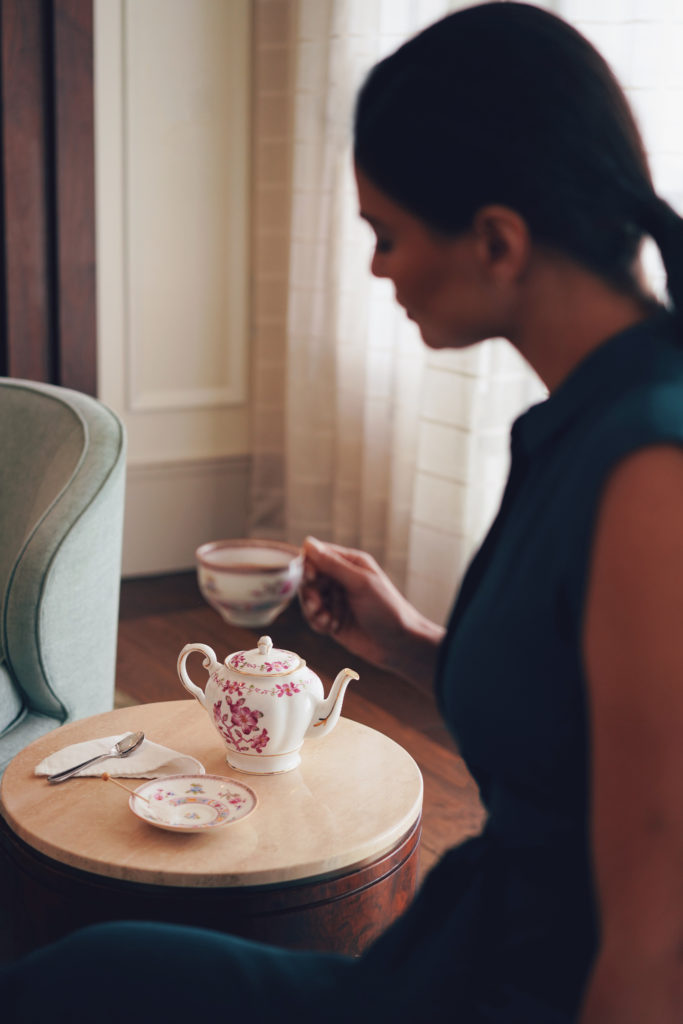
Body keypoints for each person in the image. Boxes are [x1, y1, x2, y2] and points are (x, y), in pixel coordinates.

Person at [3, 3, 683, 1020]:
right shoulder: (583, 422)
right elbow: (566, 732)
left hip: (507, 993)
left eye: (385, 234)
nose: (374, 268)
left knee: (76, 984)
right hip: (452, 960)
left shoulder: (648, 470)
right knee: (88, 970)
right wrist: (403, 639)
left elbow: (656, 945)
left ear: (495, 239)